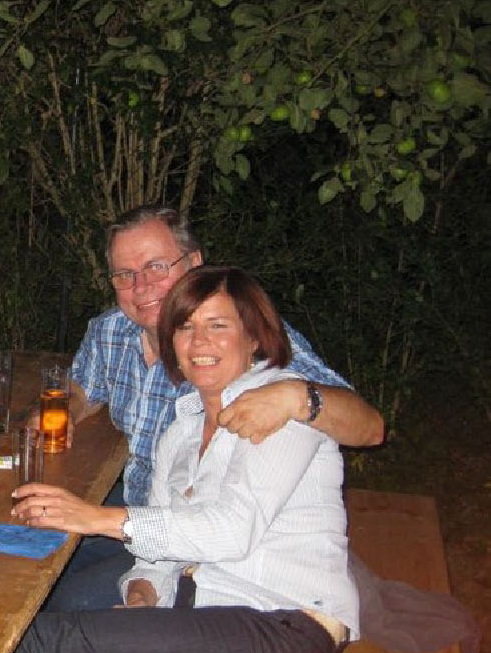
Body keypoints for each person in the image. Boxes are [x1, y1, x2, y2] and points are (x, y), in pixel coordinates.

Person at [0, 266, 360, 653]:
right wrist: (142, 596)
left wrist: (97, 518)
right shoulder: (181, 432)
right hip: (192, 623)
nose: (200, 341)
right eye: (185, 326)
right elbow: (155, 558)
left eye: (218, 325)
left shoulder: (282, 409)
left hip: (282, 634)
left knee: (33, 647)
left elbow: (231, 530)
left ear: (255, 338)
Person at [34, 206, 383, 610]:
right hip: (137, 508)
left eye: (156, 267)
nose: (141, 287)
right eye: (124, 275)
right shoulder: (110, 329)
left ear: (194, 262)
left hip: (210, 539)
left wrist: (296, 396)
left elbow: (369, 427)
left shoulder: (240, 335)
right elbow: (83, 386)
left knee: (60, 602)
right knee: (31, 555)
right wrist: (65, 409)